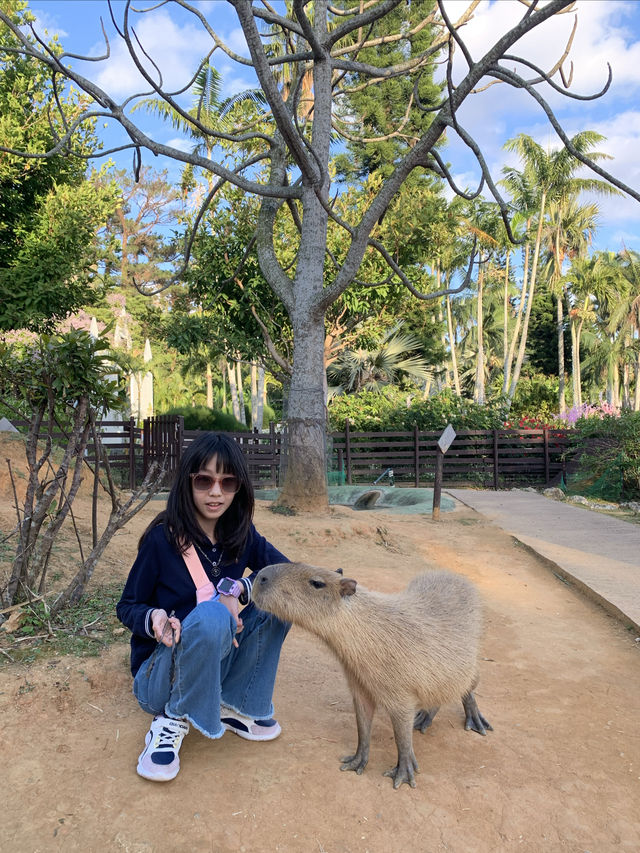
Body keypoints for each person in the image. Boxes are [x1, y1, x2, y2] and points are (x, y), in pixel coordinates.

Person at [116, 432, 290, 782]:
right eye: (204, 480)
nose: (216, 492)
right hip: (162, 676)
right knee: (211, 616)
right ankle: (171, 719)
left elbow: (282, 574)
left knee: (277, 600)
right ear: (187, 481)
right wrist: (155, 619)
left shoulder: (240, 532)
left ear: (239, 487)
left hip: (217, 659)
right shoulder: (161, 540)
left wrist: (239, 589)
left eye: (227, 482)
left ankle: (235, 704)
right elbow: (128, 606)